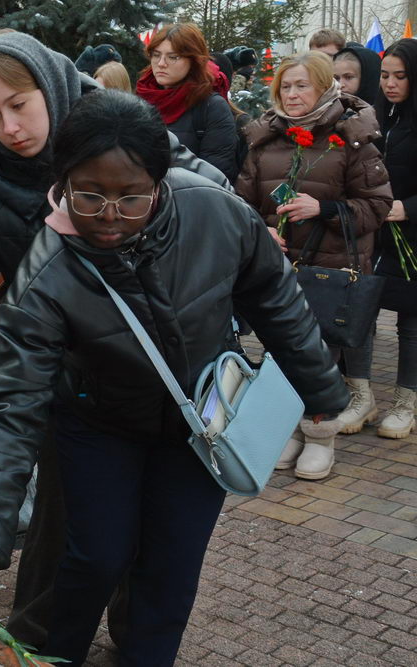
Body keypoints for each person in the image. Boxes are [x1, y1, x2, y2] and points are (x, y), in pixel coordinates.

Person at [0, 89, 348, 666]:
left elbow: (276, 298)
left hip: (200, 424)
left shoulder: (217, 212)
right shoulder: (46, 272)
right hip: (99, 425)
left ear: (162, 181)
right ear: (63, 180)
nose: (109, 215)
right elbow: (10, 403)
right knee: (94, 558)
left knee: (170, 569)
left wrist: (321, 387)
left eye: (131, 197)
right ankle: (59, 656)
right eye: (90, 195)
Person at [0, 29, 232, 649]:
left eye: (20, 104)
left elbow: (212, 202)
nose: (9, 126)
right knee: (73, 532)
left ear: (51, 87)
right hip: (73, 380)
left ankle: (136, 639)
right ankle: (37, 646)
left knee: (161, 540)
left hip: (170, 373)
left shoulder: (119, 127)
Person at [237, 51, 392, 478]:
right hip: (279, 269)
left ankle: (320, 437)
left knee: (319, 355)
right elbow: (242, 203)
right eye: (285, 86)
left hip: (331, 269)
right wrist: (258, 230)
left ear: (323, 87)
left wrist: (323, 208)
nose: (292, 94)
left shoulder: (351, 138)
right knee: (279, 352)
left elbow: (377, 205)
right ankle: (289, 428)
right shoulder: (264, 139)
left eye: (301, 85)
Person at [374, 39, 417, 438]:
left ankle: (406, 401)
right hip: (376, 231)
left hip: (411, 234)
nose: (390, 84)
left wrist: (410, 208)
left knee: (410, 321)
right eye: (385, 75)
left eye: (400, 76)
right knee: (358, 311)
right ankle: (359, 395)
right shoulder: (382, 118)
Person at [136, 23, 239, 182]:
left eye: (173, 57)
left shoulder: (212, 107)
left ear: (194, 60)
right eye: (156, 55)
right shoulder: (139, 99)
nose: (161, 63)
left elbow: (217, 179)